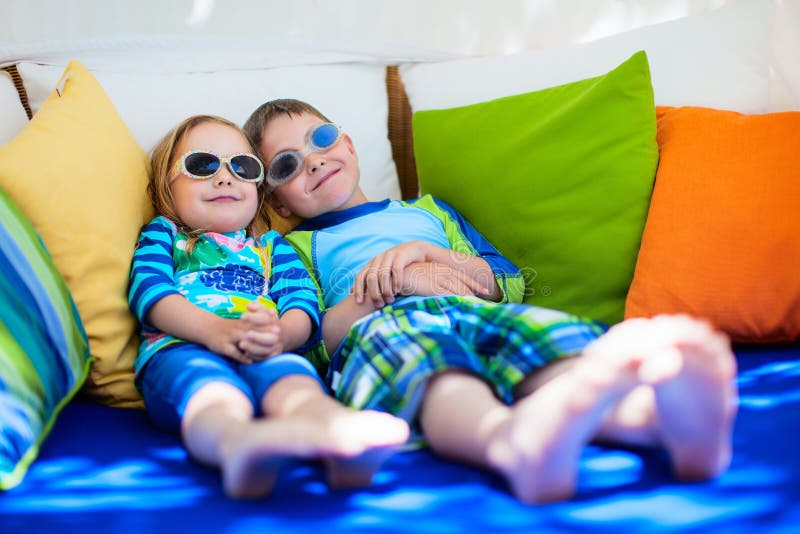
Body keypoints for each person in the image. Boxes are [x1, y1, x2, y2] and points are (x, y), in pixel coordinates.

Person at [242, 99, 739, 504]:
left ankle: (654, 423)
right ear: (280, 204)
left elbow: (505, 282)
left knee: (550, 348)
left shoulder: (429, 210)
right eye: (287, 164)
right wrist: (403, 282)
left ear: (347, 143)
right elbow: (316, 337)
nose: (313, 159)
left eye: (322, 139)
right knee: (440, 377)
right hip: (389, 327)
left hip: (479, 310)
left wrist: (429, 253)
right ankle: (507, 440)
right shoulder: (295, 247)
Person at [128, 114, 409, 499]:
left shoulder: (273, 247)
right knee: (214, 396)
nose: (225, 177)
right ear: (166, 185)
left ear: (259, 190)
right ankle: (238, 444)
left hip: (266, 350)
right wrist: (215, 331)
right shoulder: (166, 235)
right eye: (201, 164)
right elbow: (150, 294)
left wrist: (280, 336)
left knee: (297, 386)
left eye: (242, 167)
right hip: (181, 349)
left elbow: (302, 306)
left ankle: (341, 438)